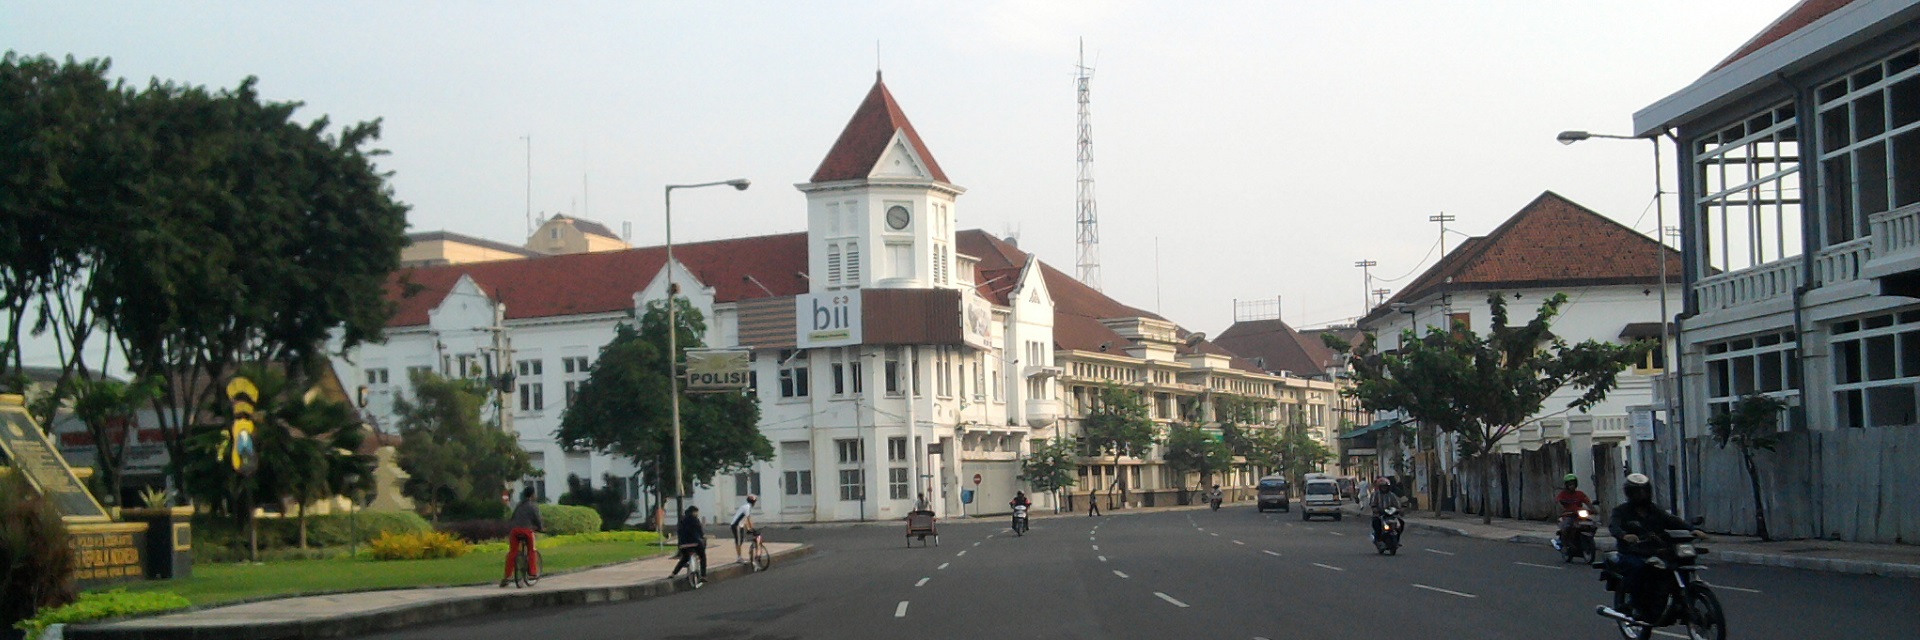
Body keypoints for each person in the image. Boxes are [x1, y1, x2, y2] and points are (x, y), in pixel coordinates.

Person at [1608, 473, 1702, 620]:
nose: (1642, 495)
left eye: (1644, 491)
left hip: (1655, 549)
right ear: (1629, 493)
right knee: (1639, 568)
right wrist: (1624, 536)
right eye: (1637, 492)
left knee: (1679, 562)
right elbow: (1614, 526)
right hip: (1633, 551)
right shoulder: (1621, 511)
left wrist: (1691, 529)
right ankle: (1637, 606)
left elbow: (1671, 520)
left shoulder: (1654, 510)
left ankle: (1680, 601)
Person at [500, 486, 544, 587]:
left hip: (515, 531)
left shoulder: (519, 506)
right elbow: (538, 519)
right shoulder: (533, 506)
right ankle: (532, 573)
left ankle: (507, 577)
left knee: (512, 552)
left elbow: (513, 518)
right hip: (527, 531)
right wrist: (540, 528)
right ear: (533, 495)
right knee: (532, 550)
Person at [669, 505, 707, 579]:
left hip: (683, 544)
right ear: (694, 512)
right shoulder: (695, 520)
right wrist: (702, 537)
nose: (697, 514)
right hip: (695, 543)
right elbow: (700, 532)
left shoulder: (681, 520)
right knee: (703, 557)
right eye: (696, 512)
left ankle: (673, 573)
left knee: (684, 558)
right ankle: (703, 575)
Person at [1555, 473, 1595, 539]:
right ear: (1566, 485)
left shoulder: (1580, 494)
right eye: (1570, 484)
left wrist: (1593, 510)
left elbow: (1588, 502)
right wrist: (1563, 510)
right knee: (1567, 527)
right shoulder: (1563, 494)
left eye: (1573, 484)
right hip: (1568, 515)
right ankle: (1565, 543)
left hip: (1579, 515)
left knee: (1592, 526)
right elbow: (1558, 503)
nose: (1572, 486)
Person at [730, 495, 758, 564]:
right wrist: (752, 528)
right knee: (738, 541)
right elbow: (748, 519)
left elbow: (744, 519)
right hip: (736, 525)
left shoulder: (746, 506)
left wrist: (748, 528)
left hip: (740, 525)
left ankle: (739, 556)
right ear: (753, 502)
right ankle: (739, 558)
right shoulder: (747, 507)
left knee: (741, 540)